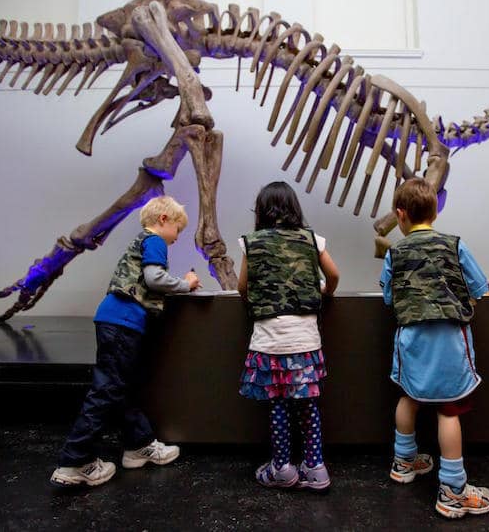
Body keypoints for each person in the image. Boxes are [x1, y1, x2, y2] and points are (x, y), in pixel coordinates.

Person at [50, 195, 201, 487]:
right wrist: (186, 284)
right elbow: (155, 278)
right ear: (163, 220)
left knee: (120, 388)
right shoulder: (154, 240)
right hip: (122, 321)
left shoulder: (143, 241)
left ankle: (137, 446)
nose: (177, 237)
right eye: (178, 229)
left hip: (116, 320)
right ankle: (75, 461)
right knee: (106, 391)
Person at [379, 177, 489, 519]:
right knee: (449, 410)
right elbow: (479, 287)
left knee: (409, 396)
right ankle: (453, 491)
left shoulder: (394, 251)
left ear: (400, 214)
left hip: (410, 338)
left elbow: (388, 297)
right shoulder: (455, 244)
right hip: (449, 338)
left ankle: (404, 462)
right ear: (434, 212)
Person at [238, 181, 340, 491]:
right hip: (305, 337)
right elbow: (333, 274)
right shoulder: (313, 239)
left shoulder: (250, 243)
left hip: (270, 339)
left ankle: (282, 468)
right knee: (308, 404)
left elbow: (243, 286)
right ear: (294, 208)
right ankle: (315, 467)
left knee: (278, 404)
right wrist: (324, 293)